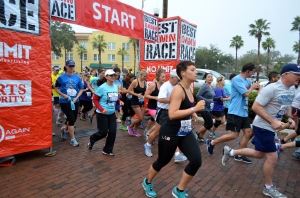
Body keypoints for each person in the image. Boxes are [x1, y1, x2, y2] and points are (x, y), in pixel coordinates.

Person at [221, 63, 299, 198]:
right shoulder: (272, 89)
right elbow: (256, 107)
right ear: (286, 74)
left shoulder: (292, 89)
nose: (299, 77)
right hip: (263, 126)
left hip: (271, 126)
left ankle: (231, 151)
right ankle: (268, 187)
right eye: (297, 74)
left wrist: (290, 117)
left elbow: (287, 105)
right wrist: (272, 121)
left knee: (259, 154)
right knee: (272, 156)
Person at [142, 61, 205, 198]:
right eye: (193, 70)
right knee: (163, 161)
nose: (196, 72)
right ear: (183, 73)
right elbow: (172, 114)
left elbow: (185, 106)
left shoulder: (188, 89)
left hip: (185, 131)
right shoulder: (178, 89)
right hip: (170, 131)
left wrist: (192, 113)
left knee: (196, 161)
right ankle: (147, 182)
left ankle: (179, 190)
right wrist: (195, 109)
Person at [206, 62, 261, 164]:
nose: (252, 74)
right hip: (235, 112)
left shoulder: (247, 80)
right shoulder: (237, 79)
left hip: (243, 112)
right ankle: (212, 142)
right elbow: (246, 93)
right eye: (252, 72)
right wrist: (253, 87)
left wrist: (258, 86)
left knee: (248, 133)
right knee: (234, 135)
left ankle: (239, 155)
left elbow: (254, 87)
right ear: (248, 71)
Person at [144, 69, 188, 163]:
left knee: (174, 132)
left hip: (172, 111)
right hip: (162, 112)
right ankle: (147, 145)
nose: (179, 80)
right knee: (157, 132)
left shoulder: (177, 86)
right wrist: (174, 100)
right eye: (177, 78)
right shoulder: (165, 86)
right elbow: (160, 99)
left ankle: (177, 155)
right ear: (172, 77)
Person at [87, 69, 124, 156]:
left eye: (114, 75)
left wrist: (119, 101)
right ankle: (92, 139)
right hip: (101, 114)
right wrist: (101, 109)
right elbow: (95, 99)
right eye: (111, 75)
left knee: (112, 132)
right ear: (106, 77)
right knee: (103, 133)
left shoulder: (115, 87)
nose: (113, 77)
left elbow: (114, 97)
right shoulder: (102, 87)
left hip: (111, 113)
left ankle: (107, 150)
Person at [55, 60, 84, 147]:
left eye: (72, 66)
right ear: (66, 66)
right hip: (65, 101)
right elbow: (56, 88)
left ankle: (64, 128)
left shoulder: (77, 78)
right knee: (71, 119)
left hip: (75, 101)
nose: (71, 68)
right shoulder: (61, 77)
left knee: (74, 119)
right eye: (70, 66)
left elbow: (81, 89)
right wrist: (63, 95)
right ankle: (72, 139)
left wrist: (76, 97)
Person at [195, 73, 218, 141]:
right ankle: (197, 134)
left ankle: (200, 137)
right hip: (204, 108)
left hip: (209, 108)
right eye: (208, 77)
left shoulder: (211, 86)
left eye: (211, 77)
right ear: (205, 78)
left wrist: (221, 98)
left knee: (206, 123)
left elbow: (213, 97)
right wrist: (207, 100)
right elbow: (198, 95)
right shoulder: (204, 86)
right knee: (209, 124)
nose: (210, 78)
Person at [144, 68, 166, 135]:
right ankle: (149, 133)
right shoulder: (154, 85)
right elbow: (145, 95)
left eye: (165, 76)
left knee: (153, 119)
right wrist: (155, 98)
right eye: (162, 77)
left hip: (159, 107)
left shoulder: (164, 85)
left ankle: (147, 129)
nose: (164, 78)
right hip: (152, 107)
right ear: (158, 77)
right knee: (159, 121)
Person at [127, 69, 148, 137]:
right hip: (135, 101)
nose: (145, 78)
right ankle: (130, 126)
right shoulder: (135, 82)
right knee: (140, 118)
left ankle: (135, 131)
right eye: (144, 76)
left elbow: (144, 92)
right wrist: (137, 95)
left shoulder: (145, 82)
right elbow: (129, 91)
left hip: (141, 102)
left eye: (146, 76)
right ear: (140, 75)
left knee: (141, 118)